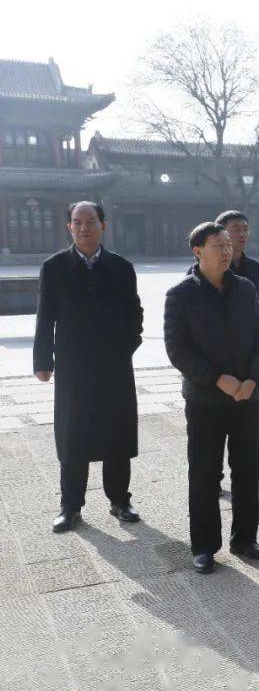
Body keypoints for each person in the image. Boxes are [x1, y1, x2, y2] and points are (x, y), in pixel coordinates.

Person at [164, 222, 259, 574]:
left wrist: (254, 378)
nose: (227, 251)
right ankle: (205, 546)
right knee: (205, 472)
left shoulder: (244, 288)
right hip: (205, 400)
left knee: (245, 470)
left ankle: (246, 538)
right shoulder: (180, 295)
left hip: (245, 397)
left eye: (229, 245)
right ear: (198, 251)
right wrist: (217, 379)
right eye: (218, 245)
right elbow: (178, 350)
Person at [34, 201, 143, 533]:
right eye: (77, 222)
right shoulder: (54, 267)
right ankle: (70, 506)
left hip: (114, 365)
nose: (84, 228)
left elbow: (134, 314)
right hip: (73, 366)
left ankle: (120, 500)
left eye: (91, 221)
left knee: (117, 433)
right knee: (72, 436)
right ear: (69, 226)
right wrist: (43, 360)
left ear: (103, 225)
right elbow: (45, 317)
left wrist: (126, 347)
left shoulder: (121, 267)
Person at [213, 211, 259, 488]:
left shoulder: (254, 269)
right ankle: (215, 476)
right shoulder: (207, 267)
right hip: (217, 356)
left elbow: (256, 312)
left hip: (246, 354)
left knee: (250, 415)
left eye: (245, 229)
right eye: (235, 229)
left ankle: (256, 466)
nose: (241, 234)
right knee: (215, 421)